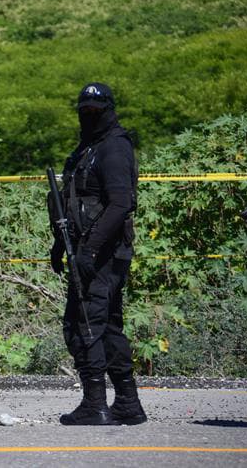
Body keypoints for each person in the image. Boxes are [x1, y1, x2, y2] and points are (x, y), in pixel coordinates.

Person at [50, 82, 146, 426]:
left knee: (85, 324)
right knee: (106, 326)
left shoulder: (113, 147)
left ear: (108, 110)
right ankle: (127, 403)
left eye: (95, 111)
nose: (88, 116)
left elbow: (120, 203)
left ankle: (96, 403)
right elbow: (72, 201)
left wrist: (88, 252)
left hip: (103, 255)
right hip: (87, 251)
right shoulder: (87, 148)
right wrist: (61, 245)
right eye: (84, 110)